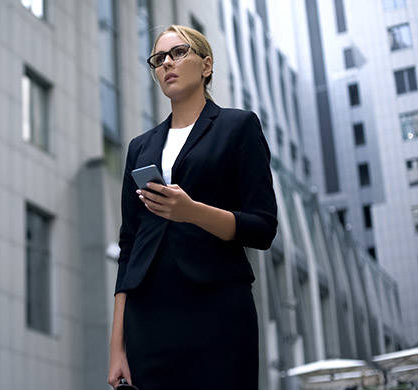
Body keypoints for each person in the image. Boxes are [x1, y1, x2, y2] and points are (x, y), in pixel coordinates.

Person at [107, 25, 278, 389]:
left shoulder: (238, 127)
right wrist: (116, 346)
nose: (167, 63)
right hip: (148, 318)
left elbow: (263, 228)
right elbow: (129, 246)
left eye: (179, 52)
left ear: (206, 65)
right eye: (158, 59)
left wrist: (192, 211)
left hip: (217, 310)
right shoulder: (140, 147)